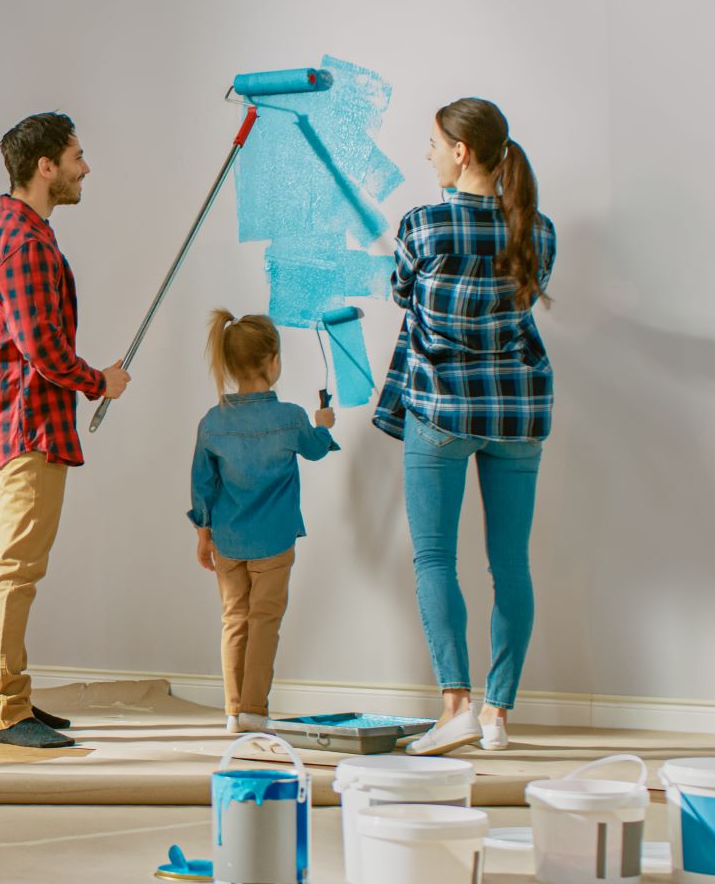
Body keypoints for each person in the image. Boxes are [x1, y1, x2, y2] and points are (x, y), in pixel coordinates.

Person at [377, 97, 556, 756]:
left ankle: (455, 706)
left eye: (431, 143)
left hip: (442, 409)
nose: (426, 154)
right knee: (510, 562)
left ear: (462, 152)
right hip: (517, 410)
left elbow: (403, 294)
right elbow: (527, 299)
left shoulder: (422, 227)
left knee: (434, 558)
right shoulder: (539, 232)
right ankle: (498, 717)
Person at [0, 111, 129, 748]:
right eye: (78, 156)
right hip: (26, 426)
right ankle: (7, 710)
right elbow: (43, 349)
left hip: (11, 424)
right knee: (15, 569)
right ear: (46, 167)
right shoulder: (27, 242)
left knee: (15, 566)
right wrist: (99, 381)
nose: (86, 168)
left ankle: (16, 698)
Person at [188, 310, 338, 732]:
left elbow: (202, 484)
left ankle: (234, 712)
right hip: (274, 541)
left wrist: (204, 534)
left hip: (228, 541)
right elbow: (315, 449)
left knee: (234, 621)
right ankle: (255, 709)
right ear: (273, 362)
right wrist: (323, 424)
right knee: (264, 622)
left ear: (231, 365)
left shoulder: (213, 422)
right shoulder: (290, 417)